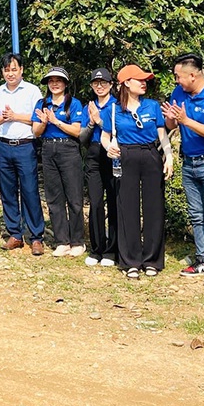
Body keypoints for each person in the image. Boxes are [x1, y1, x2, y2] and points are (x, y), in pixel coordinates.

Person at [162, 53, 204, 286]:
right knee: (196, 214)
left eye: (178, 76)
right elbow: (172, 125)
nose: (176, 80)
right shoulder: (179, 93)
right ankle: (203, 258)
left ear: (192, 75)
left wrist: (185, 120)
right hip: (189, 162)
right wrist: (172, 119)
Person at [100, 65, 173, 279]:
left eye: (145, 80)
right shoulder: (113, 109)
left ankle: (152, 260)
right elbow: (105, 136)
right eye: (139, 80)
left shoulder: (151, 106)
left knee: (154, 207)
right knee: (127, 208)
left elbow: (162, 135)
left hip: (150, 155)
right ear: (125, 83)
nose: (144, 83)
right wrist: (109, 148)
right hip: (126, 156)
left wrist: (168, 156)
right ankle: (130, 260)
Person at [0, 52, 46, 256]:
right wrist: (2, 119)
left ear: (21, 70)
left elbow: (38, 119)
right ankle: (15, 233)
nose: (10, 73)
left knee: (30, 190)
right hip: (3, 145)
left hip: (25, 145)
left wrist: (15, 116)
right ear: (2, 72)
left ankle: (36, 236)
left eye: (14, 69)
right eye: (7, 70)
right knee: (8, 191)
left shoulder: (32, 91)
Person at [32, 66, 87, 258]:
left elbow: (77, 131)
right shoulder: (42, 103)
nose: (54, 84)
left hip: (68, 149)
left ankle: (78, 241)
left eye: (58, 80)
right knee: (54, 197)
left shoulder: (74, 104)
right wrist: (45, 122)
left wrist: (56, 121)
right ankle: (62, 240)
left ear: (65, 83)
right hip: (48, 149)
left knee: (74, 197)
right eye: (51, 81)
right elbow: (35, 131)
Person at [82, 68, 118, 267]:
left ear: (111, 85)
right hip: (94, 154)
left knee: (114, 201)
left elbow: (118, 130)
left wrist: (99, 121)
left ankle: (112, 250)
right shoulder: (89, 106)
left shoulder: (117, 105)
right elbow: (82, 138)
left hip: (113, 153)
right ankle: (97, 249)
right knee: (95, 203)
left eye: (103, 82)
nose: (100, 86)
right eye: (96, 83)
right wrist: (91, 123)